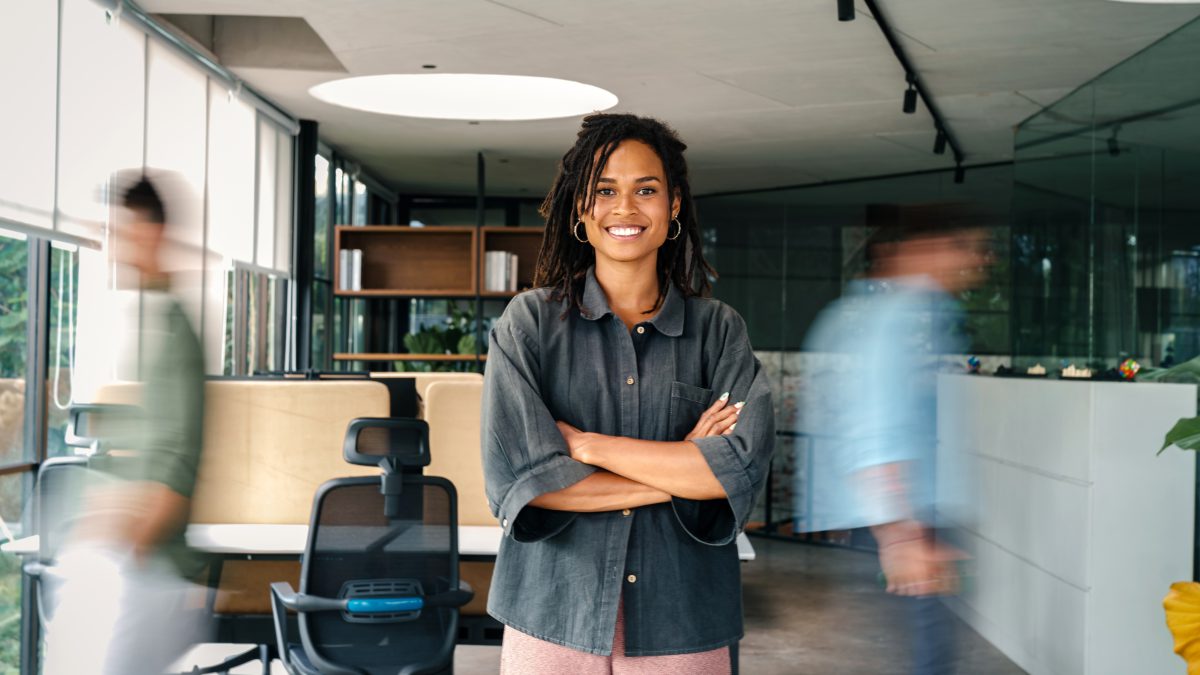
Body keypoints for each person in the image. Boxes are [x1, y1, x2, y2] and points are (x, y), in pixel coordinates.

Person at [482, 113, 775, 673]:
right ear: (580, 210)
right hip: (551, 615)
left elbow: (737, 472)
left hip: (683, 619)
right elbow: (525, 485)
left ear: (675, 207)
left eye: (646, 189)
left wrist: (587, 447)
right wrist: (681, 466)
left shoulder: (719, 331)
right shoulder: (529, 325)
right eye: (605, 191)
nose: (625, 208)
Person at [800, 204, 990, 675]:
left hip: (902, 512)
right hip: (904, 517)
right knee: (929, 654)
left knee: (925, 650)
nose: (979, 261)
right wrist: (903, 535)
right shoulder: (896, 320)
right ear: (922, 249)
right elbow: (874, 428)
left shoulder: (890, 313)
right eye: (966, 247)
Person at [42, 174, 208, 675]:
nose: (112, 245)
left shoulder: (175, 329)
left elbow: (178, 455)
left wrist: (130, 543)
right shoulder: (152, 316)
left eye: (121, 231)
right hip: (127, 556)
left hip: (145, 564)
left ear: (150, 231)